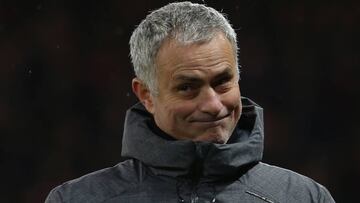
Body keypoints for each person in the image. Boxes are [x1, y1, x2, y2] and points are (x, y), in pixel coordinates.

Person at [45, 2, 335, 202]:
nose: (213, 104)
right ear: (146, 95)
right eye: (187, 87)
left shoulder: (303, 197)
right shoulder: (77, 199)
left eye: (222, 82)